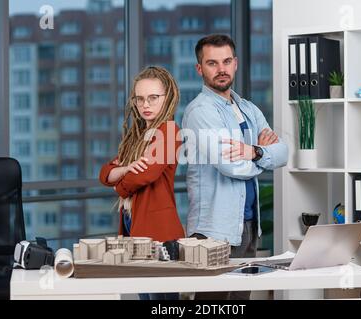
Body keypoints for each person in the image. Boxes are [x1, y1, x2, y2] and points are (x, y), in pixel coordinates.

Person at [182, 34, 289, 300]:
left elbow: (283, 152)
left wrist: (254, 152)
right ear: (199, 68)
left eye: (227, 61)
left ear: (236, 63)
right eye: (212, 63)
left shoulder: (248, 108)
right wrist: (263, 157)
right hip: (213, 230)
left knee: (241, 300)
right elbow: (230, 166)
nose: (221, 69)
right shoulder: (200, 111)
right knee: (212, 303)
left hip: (248, 224)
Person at [99, 66, 184, 300]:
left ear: (167, 99)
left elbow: (145, 175)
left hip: (158, 229)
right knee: (145, 296)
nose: (145, 105)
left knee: (162, 301)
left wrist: (120, 183)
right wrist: (126, 168)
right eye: (140, 99)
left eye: (153, 98)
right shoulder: (135, 138)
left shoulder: (169, 131)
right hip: (132, 223)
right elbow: (105, 172)